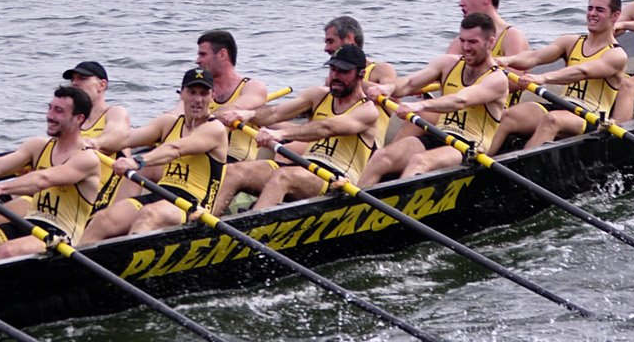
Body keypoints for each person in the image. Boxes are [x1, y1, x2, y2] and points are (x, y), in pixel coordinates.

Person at [0, 85, 103, 268]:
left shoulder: (87, 159)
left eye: (59, 111)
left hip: (61, 235)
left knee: (6, 253)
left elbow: (43, 179)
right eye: (50, 108)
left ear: (79, 118)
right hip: (28, 223)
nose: (50, 115)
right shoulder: (37, 146)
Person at [211, 43, 381, 212]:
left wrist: (280, 133)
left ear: (361, 74)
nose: (335, 76)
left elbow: (327, 128)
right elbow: (275, 113)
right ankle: (205, 223)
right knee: (233, 171)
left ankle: (252, 225)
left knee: (283, 176)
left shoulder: (367, 111)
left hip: (337, 180)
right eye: (333, 69)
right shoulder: (318, 95)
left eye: (343, 71)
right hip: (304, 167)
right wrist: (248, 114)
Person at [80, 67, 230, 243]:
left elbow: (175, 149)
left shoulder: (215, 129)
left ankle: (130, 257)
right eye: (192, 92)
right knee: (103, 218)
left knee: (149, 214)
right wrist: (95, 143)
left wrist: (138, 161)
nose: (198, 99)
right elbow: (127, 137)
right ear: (182, 94)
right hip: (161, 193)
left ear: (212, 96)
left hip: (194, 205)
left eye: (204, 93)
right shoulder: (169, 123)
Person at [358, 12, 509, 185]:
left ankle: (400, 202)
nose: (465, 47)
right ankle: (353, 201)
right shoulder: (448, 64)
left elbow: (460, 101)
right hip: (439, 135)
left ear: (491, 43)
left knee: (419, 162)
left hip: (468, 147)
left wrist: (420, 106)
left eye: (473, 42)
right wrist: (388, 88)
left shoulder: (497, 79)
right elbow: (409, 83)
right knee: (381, 157)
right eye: (462, 40)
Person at [488, 0, 629, 154]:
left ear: (615, 16)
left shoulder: (616, 55)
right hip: (561, 105)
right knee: (508, 116)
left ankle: (522, 165)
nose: (592, 13)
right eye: (590, 8)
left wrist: (543, 78)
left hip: (590, 116)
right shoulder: (570, 42)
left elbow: (582, 71)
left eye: (600, 10)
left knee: (552, 120)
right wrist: (506, 60)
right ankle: (478, 164)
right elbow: (534, 57)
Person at [62, 60, 132, 210]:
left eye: (82, 78)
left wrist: (94, 143)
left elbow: (117, 135)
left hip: (98, 198)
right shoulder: (72, 121)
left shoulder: (115, 112)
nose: (74, 83)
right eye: (73, 79)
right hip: (69, 189)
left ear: (102, 85)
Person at [195, 29, 269, 163]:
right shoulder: (197, 90)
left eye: (203, 54)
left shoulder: (252, 87)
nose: (197, 61)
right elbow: (177, 116)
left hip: (237, 160)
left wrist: (197, 120)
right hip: (202, 155)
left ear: (222, 54)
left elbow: (232, 111)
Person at [324, 15, 396, 149]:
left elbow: (392, 97)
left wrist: (347, 82)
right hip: (329, 137)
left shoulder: (380, 70)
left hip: (365, 145)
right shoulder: (333, 78)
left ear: (349, 39)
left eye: (330, 41)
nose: (326, 48)